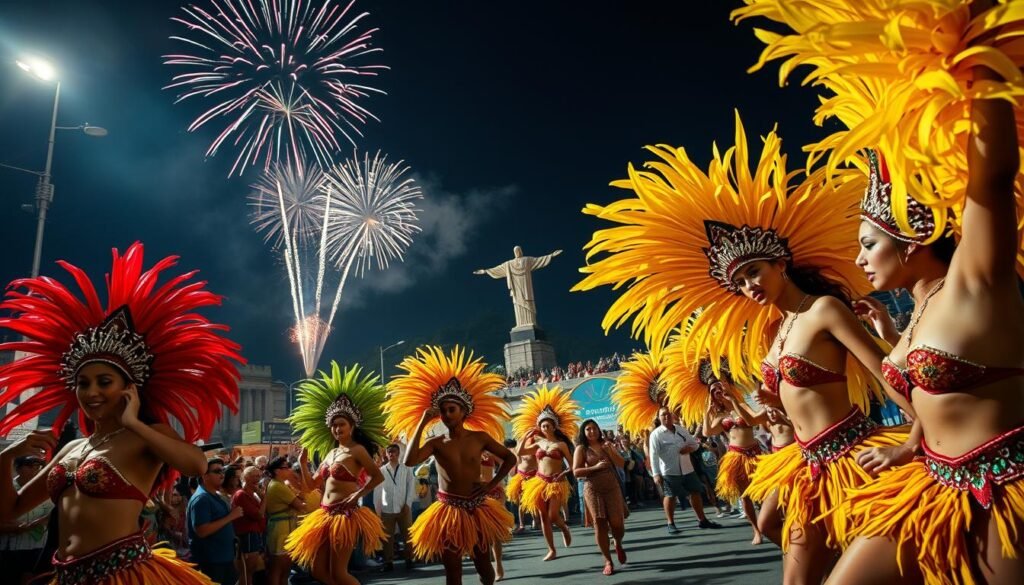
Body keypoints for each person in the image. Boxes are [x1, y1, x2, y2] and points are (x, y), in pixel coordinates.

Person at [576, 114, 913, 583]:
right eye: (739, 281)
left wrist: (917, 439)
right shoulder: (778, 330)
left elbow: (885, 373)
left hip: (847, 453)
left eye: (754, 271)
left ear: (780, 263)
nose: (749, 285)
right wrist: (771, 403)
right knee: (772, 525)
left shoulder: (824, 310)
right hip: (804, 460)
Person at [0, 242, 242, 585]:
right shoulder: (73, 448)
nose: (91, 392)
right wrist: (7, 456)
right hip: (66, 576)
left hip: (123, 575)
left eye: (104, 382)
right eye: (83, 383)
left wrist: (134, 423)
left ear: (129, 388)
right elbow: (9, 510)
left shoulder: (144, 436)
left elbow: (196, 465)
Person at [387, 346, 515, 585]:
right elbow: (409, 461)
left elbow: (510, 459)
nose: (447, 415)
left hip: (477, 508)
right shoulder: (436, 443)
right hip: (448, 511)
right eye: (443, 411)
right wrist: (423, 421)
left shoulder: (480, 438)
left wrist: (491, 486)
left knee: (483, 565)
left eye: (452, 410)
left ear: (464, 411)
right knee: (452, 570)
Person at [283, 363, 387, 585]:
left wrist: (357, 495)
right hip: (324, 514)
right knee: (318, 571)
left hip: (344, 515)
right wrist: (302, 463)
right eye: (333, 425)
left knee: (339, 573)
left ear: (352, 426)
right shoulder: (330, 453)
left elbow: (378, 477)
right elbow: (310, 486)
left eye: (341, 424)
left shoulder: (357, 450)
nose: (337, 429)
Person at [699, 360, 764, 545]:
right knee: (745, 496)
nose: (718, 393)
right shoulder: (720, 416)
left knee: (763, 492)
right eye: (714, 391)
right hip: (736, 457)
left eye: (720, 388)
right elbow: (707, 432)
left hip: (755, 453)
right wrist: (707, 412)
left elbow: (753, 420)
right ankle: (756, 530)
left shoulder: (741, 405)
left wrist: (734, 402)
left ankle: (769, 522)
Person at [516, 385, 579, 561]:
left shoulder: (561, 445)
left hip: (556, 482)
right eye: (542, 425)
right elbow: (520, 453)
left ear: (553, 427)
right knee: (543, 517)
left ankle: (564, 528)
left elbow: (572, 465)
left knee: (552, 515)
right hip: (539, 482)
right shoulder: (538, 443)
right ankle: (551, 549)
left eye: (547, 425)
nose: (544, 428)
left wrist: (564, 474)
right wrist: (525, 437)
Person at [648, 406, 721, 533]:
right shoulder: (656, 434)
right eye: (663, 415)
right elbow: (653, 455)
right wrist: (656, 474)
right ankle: (670, 523)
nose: (666, 416)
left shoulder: (681, 429)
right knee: (670, 496)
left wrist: (689, 449)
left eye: (668, 414)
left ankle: (702, 520)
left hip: (687, 468)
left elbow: (694, 444)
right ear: (659, 418)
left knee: (695, 492)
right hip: (669, 471)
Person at [572, 419, 627, 576]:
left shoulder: (607, 444)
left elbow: (621, 463)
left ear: (599, 430)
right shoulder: (581, 449)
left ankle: (618, 542)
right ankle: (608, 560)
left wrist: (611, 451)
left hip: (611, 486)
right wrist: (595, 467)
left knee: (617, 522)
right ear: (583, 432)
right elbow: (576, 472)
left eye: (594, 428)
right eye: (588, 429)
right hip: (592, 488)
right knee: (599, 523)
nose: (591, 431)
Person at [188, 458, 242, 584]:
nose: (222, 474)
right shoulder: (202, 499)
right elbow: (202, 531)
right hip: (211, 562)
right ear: (204, 476)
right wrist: (230, 517)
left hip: (223, 559)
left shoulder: (214, 495)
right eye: (217, 471)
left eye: (222, 471)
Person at [0, 456, 52, 585]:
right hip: (7, 550)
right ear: (17, 468)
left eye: (39, 466)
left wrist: (35, 523)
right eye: (30, 466)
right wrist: (11, 528)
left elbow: (52, 513)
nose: (36, 470)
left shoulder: (44, 491)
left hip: (36, 549)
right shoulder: (5, 491)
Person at [373, 443, 416, 573]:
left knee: (407, 534)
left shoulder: (406, 469)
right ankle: (388, 562)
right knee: (387, 537)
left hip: (404, 507)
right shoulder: (382, 470)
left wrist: (408, 504)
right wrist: (378, 511)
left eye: (394, 451)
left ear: (398, 454)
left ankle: (409, 559)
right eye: (389, 452)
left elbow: (411, 486)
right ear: (386, 454)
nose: (391, 454)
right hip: (387, 508)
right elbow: (377, 491)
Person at [263, 456, 305, 585]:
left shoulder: (280, 484)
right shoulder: (278, 486)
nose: (289, 470)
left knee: (284, 570)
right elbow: (301, 506)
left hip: (284, 528)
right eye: (286, 467)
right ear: (277, 471)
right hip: (280, 530)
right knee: (278, 569)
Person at [232, 466, 265, 585]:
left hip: (254, 534)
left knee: (251, 571)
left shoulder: (253, 494)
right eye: (254, 476)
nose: (258, 479)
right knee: (247, 571)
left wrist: (261, 496)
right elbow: (259, 515)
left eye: (259, 476)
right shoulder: (241, 494)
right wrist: (265, 498)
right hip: (248, 535)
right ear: (246, 477)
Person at [505, 434, 539, 533]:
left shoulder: (535, 449)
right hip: (521, 477)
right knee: (521, 502)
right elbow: (516, 463)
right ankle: (521, 524)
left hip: (533, 477)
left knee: (533, 501)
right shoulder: (517, 450)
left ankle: (536, 521)